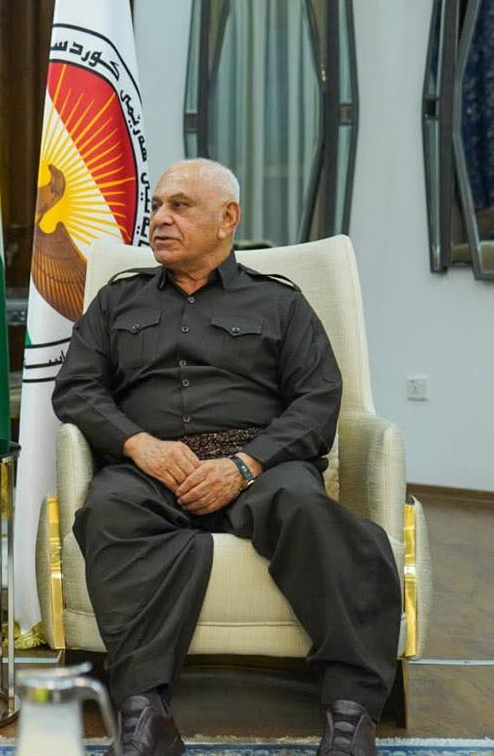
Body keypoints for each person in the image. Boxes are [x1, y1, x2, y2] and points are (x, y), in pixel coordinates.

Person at [53, 159, 400, 756]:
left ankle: (349, 714)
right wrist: (139, 444)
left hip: (261, 467)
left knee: (310, 511)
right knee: (109, 510)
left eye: (180, 206)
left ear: (227, 218)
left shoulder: (279, 303)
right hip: (152, 467)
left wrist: (246, 465)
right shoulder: (117, 300)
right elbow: (77, 389)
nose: (160, 219)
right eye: (157, 206)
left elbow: (318, 400)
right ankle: (144, 714)